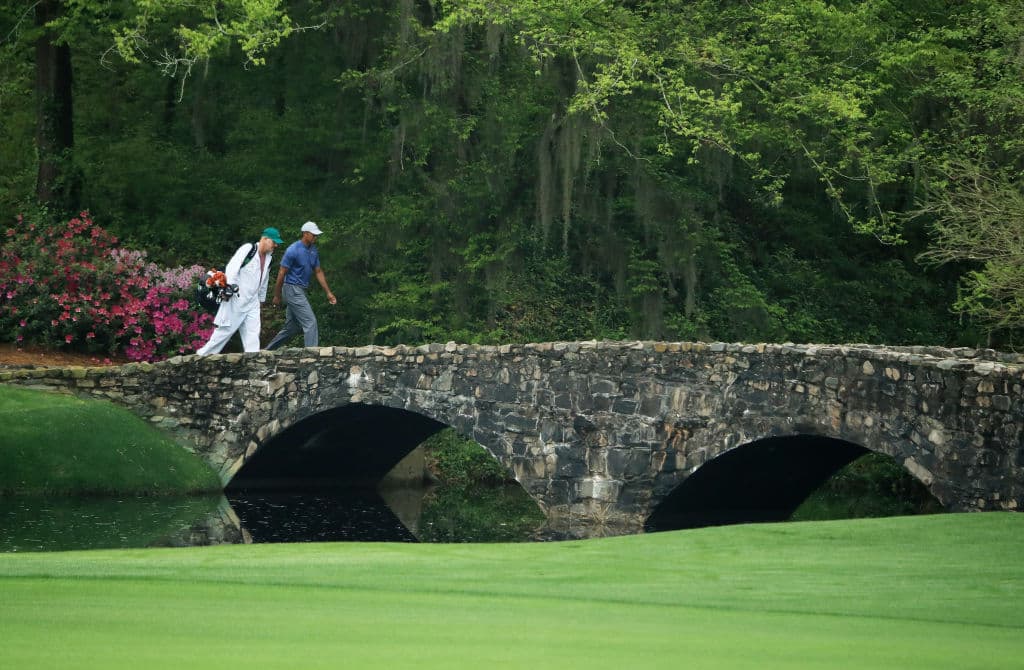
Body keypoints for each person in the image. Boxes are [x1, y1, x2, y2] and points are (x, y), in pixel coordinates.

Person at [196, 227, 284, 355]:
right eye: (273, 242)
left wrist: (261, 299)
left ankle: (253, 362)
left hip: (253, 301)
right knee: (225, 331)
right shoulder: (249, 249)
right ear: (265, 239)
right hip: (237, 297)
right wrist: (230, 286)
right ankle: (202, 356)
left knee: (253, 333)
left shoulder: (270, 259)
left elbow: (264, 279)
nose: (275, 245)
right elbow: (233, 267)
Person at [265, 221, 337, 349]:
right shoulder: (293, 250)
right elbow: (281, 273)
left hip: (300, 290)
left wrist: (328, 292)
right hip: (292, 288)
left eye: (316, 235)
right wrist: (277, 295)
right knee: (310, 322)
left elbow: (318, 271)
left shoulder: (313, 250)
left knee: (292, 327)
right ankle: (311, 355)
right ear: (305, 234)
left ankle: (268, 350)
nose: (316, 237)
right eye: (313, 235)